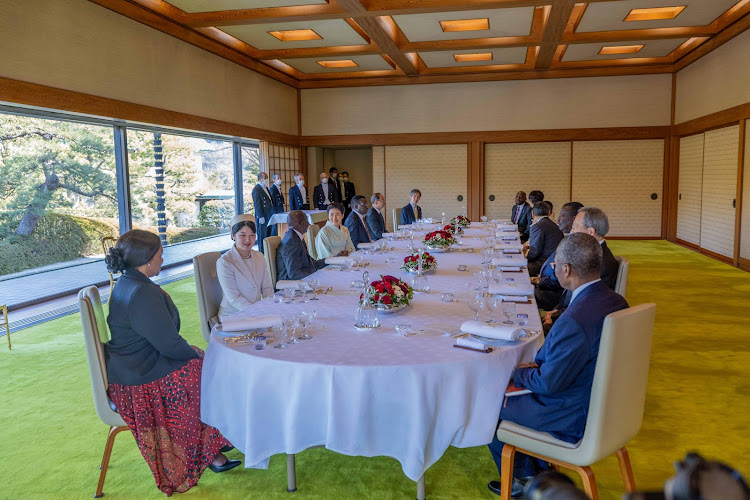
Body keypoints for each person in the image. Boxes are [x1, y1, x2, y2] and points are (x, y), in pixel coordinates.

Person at [487, 233, 629, 498]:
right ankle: (540, 471)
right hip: (606, 405)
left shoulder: (575, 319)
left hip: (572, 414)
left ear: (567, 269)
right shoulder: (614, 300)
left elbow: (547, 383)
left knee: (486, 404)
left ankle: (526, 480)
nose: (554, 270)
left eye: (554, 266)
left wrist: (518, 371)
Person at [104, 230, 240, 496]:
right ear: (146, 259)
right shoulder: (142, 293)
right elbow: (168, 343)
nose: (162, 260)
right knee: (205, 370)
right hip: (139, 379)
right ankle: (210, 452)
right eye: (159, 255)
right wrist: (198, 355)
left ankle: (213, 442)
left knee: (204, 364)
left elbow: (163, 340)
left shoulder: (128, 282)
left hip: (132, 368)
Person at [542, 207, 621, 331]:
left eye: (575, 227)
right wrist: (556, 310)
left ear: (590, 232)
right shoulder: (589, 253)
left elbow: (588, 304)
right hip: (568, 311)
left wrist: (556, 316)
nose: (571, 232)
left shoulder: (601, 263)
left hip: (579, 324)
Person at [216, 215, 274, 321]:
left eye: (252, 235)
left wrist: (269, 307)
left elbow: (267, 288)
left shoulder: (259, 256)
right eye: (242, 235)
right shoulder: (225, 262)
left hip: (257, 312)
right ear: (233, 235)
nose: (248, 240)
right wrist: (258, 312)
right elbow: (234, 298)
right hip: (233, 316)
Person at [532, 202, 584, 310]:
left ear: (575, 219)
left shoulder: (576, 243)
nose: (558, 219)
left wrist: (540, 281)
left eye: (563, 215)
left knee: (517, 292)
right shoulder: (568, 237)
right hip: (546, 284)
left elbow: (560, 277)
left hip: (554, 293)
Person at [276, 210, 328, 280]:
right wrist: (315, 278)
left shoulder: (296, 237)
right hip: (291, 286)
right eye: (307, 221)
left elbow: (312, 264)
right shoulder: (291, 242)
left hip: (304, 279)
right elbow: (294, 274)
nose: (309, 224)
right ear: (303, 224)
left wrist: (331, 260)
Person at [526, 202, 564, 277]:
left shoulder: (537, 227)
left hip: (545, 262)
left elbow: (534, 252)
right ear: (549, 212)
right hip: (555, 260)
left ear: (533, 214)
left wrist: (524, 258)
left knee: (517, 267)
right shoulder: (554, 225)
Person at [251, 172, 273, 253]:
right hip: (262, 216)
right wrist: (260, 216)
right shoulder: (256, 189)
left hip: (269, 214)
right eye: (265, 178)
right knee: (262, 235)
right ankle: (262, 252)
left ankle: (268, 252)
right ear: (260, 179)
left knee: (268, 234)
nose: (267, 179)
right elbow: (257, 204)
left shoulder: (266, 188)